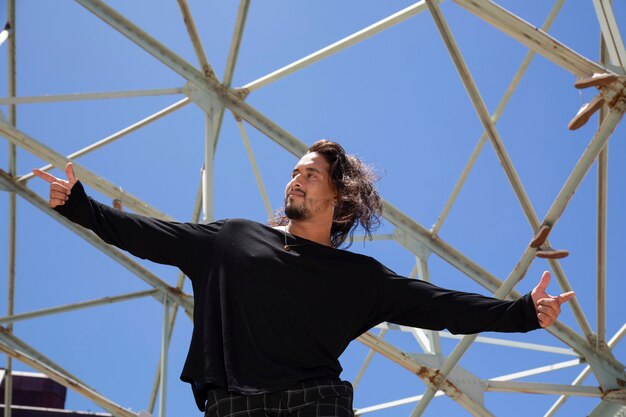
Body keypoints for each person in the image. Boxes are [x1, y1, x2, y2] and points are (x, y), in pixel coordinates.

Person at [33, 140, 574, 417]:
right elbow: (150, 235)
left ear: (338, 202)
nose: (296, 178)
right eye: (294, 171)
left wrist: (523, 312)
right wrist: (80, 206)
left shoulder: (359, 279)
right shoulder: (232, 239)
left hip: (315, 403)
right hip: (234, 404)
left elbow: (440, 306)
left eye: (310, 174)